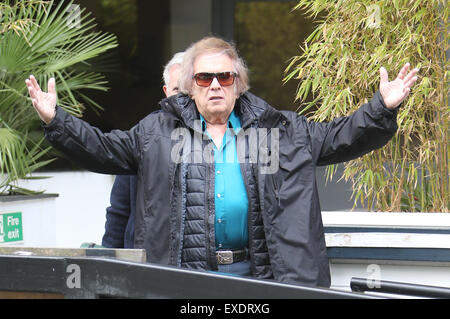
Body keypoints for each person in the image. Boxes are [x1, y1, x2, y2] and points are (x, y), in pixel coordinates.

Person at [26, 36, 418, 287]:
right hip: (184, 280)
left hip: (258, 278)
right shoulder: (156, 133)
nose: (215, 85)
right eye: (204, 78)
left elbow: (338, 137)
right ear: (189, 87)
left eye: (225, 78)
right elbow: (102, 148)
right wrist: (56, 120)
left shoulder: (280, 131)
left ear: (238, 84)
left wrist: (380, 108)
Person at [102, 52, 184, 249]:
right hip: (144, 259)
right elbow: (119, 210)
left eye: (189, 89)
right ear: (166, 91)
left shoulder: (218, 138)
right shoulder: (144, 135)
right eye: (176, 89)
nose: (183, 98)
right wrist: (107, 260)